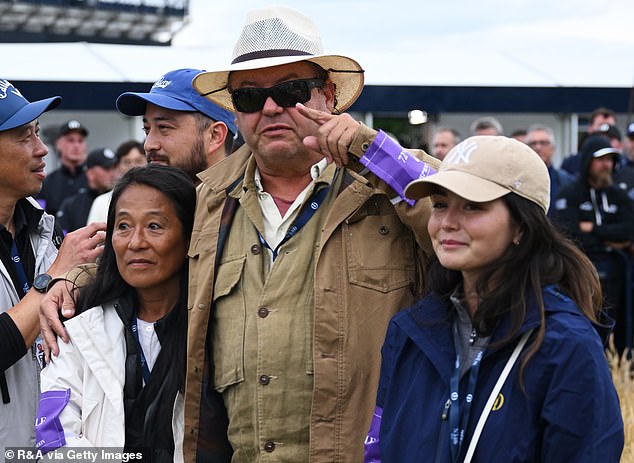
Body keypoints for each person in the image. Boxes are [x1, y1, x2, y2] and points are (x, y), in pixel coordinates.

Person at [182, 6, 441, 462]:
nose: (269, 108)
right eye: (248, 97)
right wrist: (66, 280)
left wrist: (369, 150)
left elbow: (465, 214)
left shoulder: (380, 184)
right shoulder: (210, 199)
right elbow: (133, 250)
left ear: (328, 97)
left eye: (290, 91)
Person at [365, 135, 624, 462]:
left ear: (522, 227)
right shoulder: (408, 332)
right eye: (441, 204)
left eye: (473, 206)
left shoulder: (565, 345)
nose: (447, 222)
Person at [35, 165, 227, 462]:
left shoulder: (219, 328)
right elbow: (53, 435)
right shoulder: (77, 328)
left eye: (154, 226)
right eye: (123, 226)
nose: (135, 242)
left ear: (191, 237)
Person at [0, 79, 105, 452]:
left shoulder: (43, 230)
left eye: (38, 133)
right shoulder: (56, 251)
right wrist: (54, 276)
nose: (42, 149)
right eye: (23, 137)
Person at [552, 134, 634, 355]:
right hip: (581, 269)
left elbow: (628, 230)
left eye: (610, 159)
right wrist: (611, 239)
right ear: (588, 160)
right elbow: (569, 233)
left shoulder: (619, 195)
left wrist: (594, 229)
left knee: (620, 322)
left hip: (618, 270)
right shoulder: (570, 193)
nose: (606, 164)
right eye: (600, 159)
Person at [116, 68, 238, 183]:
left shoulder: (249, 202)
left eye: (163, 127)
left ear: (214, 136)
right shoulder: (141, 202)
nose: (148, 145)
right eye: (146, 129)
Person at [36, 119, 90, 216]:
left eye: (80, 141)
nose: (76, 145)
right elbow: (39, 217)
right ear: (58, 144)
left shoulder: (94, 180)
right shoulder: (46, 183)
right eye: (70, 140)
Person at [56, 147, 117, 232]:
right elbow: (63, 239)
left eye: (114, 168)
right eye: (107, 168)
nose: (112, 173)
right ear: (91, 173)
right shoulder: (72, 205)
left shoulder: (120, 200)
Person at [87, 140, 146, 224]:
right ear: (117, 167)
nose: (133, 167)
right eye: (127, 162)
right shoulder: (101, 202)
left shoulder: (158, 197)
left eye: (139, 161)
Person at [525, 124, 574, 216]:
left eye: (543, 143)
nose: (538, 148)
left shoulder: (566, 181)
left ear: (553, 148)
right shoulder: (517, 181)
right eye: (533, 143)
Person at [561, 106, 617, 175]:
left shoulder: (620, 163)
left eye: (610, 127)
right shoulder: (571, 163)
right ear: (590, 128)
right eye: (600, 126)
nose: (605, 132)